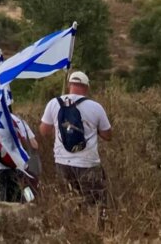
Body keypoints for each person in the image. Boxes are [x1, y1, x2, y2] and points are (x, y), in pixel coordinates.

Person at [40, 71, 113, 217]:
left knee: (68, 203)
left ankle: (71, 230)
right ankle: (97, 231)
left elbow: (43, 131)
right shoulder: (95, 107)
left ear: (69, 85)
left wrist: (58, 125)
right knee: (96, 204)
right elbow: (108, 135)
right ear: (86, 87)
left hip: (62, 162)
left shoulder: (54, 103)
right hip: (88, 163)